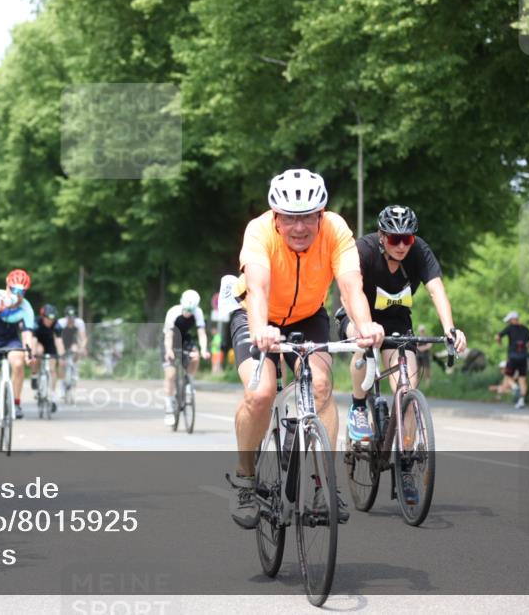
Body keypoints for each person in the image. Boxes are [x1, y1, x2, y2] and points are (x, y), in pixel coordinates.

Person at [226, 168, 384, 528]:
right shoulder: (258, 231)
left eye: (308, 218)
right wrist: (262, 330)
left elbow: (350, 287)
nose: (300, 227)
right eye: (291, 219)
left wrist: (364, 326)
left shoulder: (336, 230)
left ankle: (322, 484)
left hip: (308, 315)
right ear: (277, 219)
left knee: (321, 386)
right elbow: (259, 289)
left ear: (321, 215)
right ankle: (245, 479)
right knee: (261, 393)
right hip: (255, 312)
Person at [339, 205, 466, 456]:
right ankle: (359, 407)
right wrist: (363, 326)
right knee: (362, 341)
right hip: (358, 314)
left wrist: (450, 329)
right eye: (395, 239)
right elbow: (348, 292)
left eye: (406, 239)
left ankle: (406, 457)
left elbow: (436, 289)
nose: (401, 246)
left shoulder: (418, 250)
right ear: (382, 235)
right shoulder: (364, 249)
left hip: (396, 322)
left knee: (407, 388)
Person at [0, 269, 36, 433]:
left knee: (18, 363)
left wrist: (29, 353)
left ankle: (16, 403)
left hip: (11, 340)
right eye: (13, 290)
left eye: (21, 292)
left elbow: (27, 334)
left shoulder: (26, 307)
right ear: (7, 285)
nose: (17, 295)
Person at [162, 290, 210, 425]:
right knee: (170, 374)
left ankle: (189, 382)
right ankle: (169, 409)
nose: (188, 312)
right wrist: (169, 350)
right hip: (170, 339)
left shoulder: (198, 313)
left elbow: (201, 333)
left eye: (191, 310)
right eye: (186, 309)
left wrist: (204, 349)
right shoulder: (173, 312)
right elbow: (168, 335)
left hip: (184, 339)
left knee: (195, 356)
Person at [31, 304, 63, 413]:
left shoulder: (57, 325)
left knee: (53, 368)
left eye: (52, 319)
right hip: (38, 342)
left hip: (50, 343)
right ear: (43, 317)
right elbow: (33, 340)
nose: (50, 321)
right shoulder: (36, 322)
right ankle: (35, 375)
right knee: (38, 352)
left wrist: (62, 355)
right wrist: (33, 354)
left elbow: (59, 342)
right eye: (48, 319)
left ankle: (52, 396)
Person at [496, 311, 529, 409]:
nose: (508, 323)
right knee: (522, 379)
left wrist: (499, 343)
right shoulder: (526, 329)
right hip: (523, 356)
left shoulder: (510, 328)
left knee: (507, 376)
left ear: (512, 319)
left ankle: (515, 388)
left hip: (512, 356)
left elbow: (498, 336)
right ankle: (522, 400)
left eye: (509, 320)